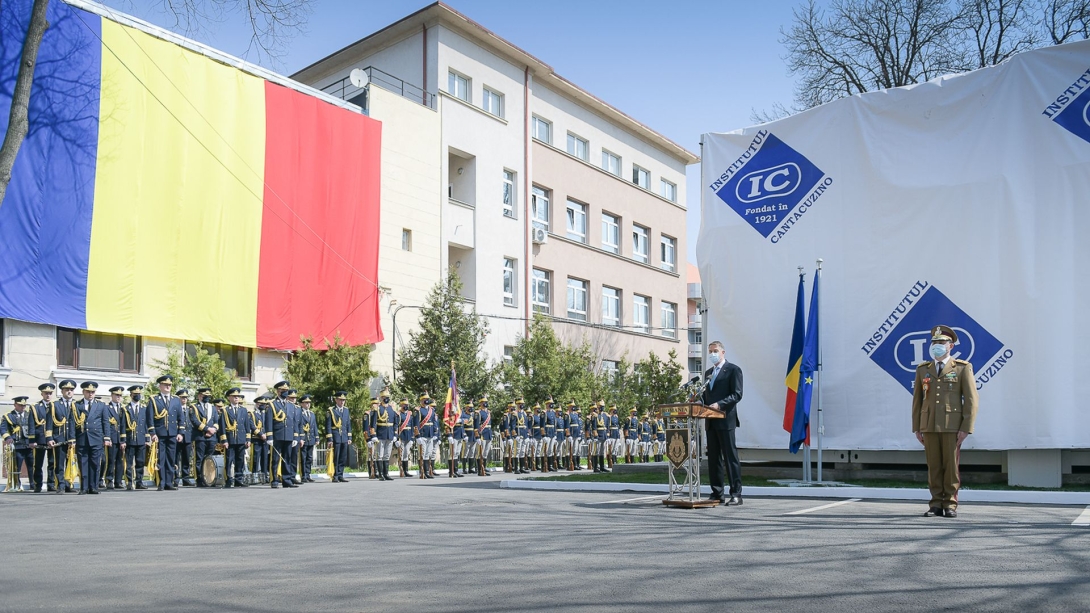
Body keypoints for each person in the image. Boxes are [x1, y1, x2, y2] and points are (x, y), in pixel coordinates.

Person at [912, 325, 979, 518]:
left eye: (941, 343)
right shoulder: (923, 369)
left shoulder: (962, 368)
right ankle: (935, 504)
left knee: (951, 466)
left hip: (952, 425)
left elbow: (971, 400)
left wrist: (966, 427)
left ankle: (950, 503)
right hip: (929, 424)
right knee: (933, 466)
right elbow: (917, 400)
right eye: (934, 343)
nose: (936, 346)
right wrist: (917, 427)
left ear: (950, 346)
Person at [702, 340, 743, 505]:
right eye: (710, 351)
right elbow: (706, 396)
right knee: (714, 459)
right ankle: (717, 493)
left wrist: (719, 404)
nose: (713, 354)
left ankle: (736, 494)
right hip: (710, 421)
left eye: (715, 351)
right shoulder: (708, 373)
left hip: (726, 420)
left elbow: (737, 394)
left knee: (730, 458)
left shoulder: (733, 370)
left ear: (723, 352)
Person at [72, 381, 111, 495]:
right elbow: (71, 422)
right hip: (82, 438)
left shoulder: (101, 405)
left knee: (95, 463)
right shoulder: (76, 405)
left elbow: (105, 422)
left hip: (96, 438)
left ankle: (93, 487)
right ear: (83, 392)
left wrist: (107, 437)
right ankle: (84, 487)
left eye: (92, 392)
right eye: (88, 392)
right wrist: (72, 439)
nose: (90, 394)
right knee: (83, 463)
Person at [147, 378, 183, 491]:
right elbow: (150, 418)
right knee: (160, 458)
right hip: (160, 433)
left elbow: (180, 417)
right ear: (160, 386)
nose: (168, 387)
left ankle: (169, 482)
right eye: (165, 385)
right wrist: (152, 433)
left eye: (169, 385)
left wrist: (180, 432)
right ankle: (161, 482)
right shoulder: (154, 399)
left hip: (172, 433)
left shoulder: (176, 400)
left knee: (171, 458)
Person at [265, 381, 299, 489]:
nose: (285, 392)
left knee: (287, 458)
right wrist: (269, 437)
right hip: (277, 436)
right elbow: (269, 421)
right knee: (275, 459)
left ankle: (286, 480)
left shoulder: (291, 406)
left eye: (286, 390)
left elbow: (294, 422)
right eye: (283, 390)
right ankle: (274, 479)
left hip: (288, 435)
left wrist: (295, 436)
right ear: (278, 391)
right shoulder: (272, 404)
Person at [1, 396, 35, 492]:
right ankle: (16, 484)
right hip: (17, 445)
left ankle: (33, 484)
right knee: (16, 467)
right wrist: (8, 437)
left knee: (32, 466)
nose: (22, 407)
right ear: (15, 405)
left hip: (29, 444)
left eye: (24, 405)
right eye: (20, 405)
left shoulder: (29, 415)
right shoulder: (8, 416)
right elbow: (3, 429)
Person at [219, 389, 252, 488]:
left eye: (238, 396)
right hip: (230, 439)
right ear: (229, 398)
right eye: (234, 396)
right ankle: (229, 479)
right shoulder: (225, 410)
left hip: (241, 439)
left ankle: (239, 479)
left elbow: (247, 426)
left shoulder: (243, 410)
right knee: (229, 460)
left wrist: (248, 439)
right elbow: (222, 426)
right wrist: (224, 440)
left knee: (240, 460)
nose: (236, 398)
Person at [121, 385, 149, 490]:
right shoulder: (125, 409)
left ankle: (139, 482)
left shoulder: (143, 408)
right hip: (130, 439)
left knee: (140, 462)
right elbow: (123, 425)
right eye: (135, 394)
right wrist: (123, 441)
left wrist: (147, 439)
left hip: (141, 439)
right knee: (129, 463)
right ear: (131, 395)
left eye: (139, 394)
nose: (137, 396)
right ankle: (129, 482)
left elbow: (146, 424)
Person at [190, 387, 220, 487]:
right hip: (200, 437)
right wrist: (207, 429)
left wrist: (213, 430)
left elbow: (216, 421)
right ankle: (199, 479)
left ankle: (209, 479)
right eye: (204, 396)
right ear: (199, 396)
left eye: (208, 396)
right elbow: (194, 421)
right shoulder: (194, 407)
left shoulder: (212, 407)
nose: (206, 397)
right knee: (199, 459)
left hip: (211, 437)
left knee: (210, 458)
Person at [28, 383, 54, 492]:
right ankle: (37, 484)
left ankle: (51, 484)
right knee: (38, 463)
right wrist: (32, 440)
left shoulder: (55, 406)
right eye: (46, 393)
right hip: (39, 439)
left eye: (50, 393)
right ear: (42, 394)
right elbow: (31, 425)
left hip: (52, 439)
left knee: (52, 463)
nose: (48, 395)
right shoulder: (35, 407)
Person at [326, 391, 352, 483]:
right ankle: (335, 475)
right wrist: (330, 439)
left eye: (343, 400)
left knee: (343, 457)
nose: (342, 402)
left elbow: (348, 424)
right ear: (336, 400)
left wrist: (349, 437)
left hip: (344, 437)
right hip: (336, 436)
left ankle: (340, 475)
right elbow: (328, 425)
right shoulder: (331, 411)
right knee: (336, 457)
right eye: (340, 400)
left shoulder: (346, 410)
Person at [102, 386, 124, 490]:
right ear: (112, 396)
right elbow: (106, 424)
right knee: (110, 460)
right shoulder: (107, 408)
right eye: (116, 395)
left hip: (121, 439)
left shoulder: (123, 409)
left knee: (120, 460)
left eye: (120, 395)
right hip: (112, 438)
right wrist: (107, 438)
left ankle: (118, 481)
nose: (118, 397)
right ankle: (109, 480)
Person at [371, 397, 398, 481]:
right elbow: (374, 422)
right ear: (382, 398)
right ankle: (380, 474)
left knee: (387, 455)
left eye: (387, 397)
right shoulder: (378, 409)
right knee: (380, 455)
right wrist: (374, 435)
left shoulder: (392, 408)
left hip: (390, 435)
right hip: (380, 435)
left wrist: (395, 434)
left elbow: (396, 422)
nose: (386, 399)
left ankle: (386, 474)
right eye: (384, 397)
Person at [415, 393, 439, 479]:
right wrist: (417, 436)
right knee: (422, 453)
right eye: (424, 399)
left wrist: (435, 433)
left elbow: (434, 422)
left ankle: (427, 472)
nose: (426, 400)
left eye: (427, 399)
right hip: (422, 434)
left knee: (428, 454)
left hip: (430, 434)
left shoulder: (431, 410)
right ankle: (422, 472)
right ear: (421, 400)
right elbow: (416, 424)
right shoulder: (418, 410)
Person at [250, 395, 269, 484]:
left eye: (265, 404)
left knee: (265, 458)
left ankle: (264, 476)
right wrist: (260, 434)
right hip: (256, 439)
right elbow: (252, 426)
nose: (264, 406)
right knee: (255, 458)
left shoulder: (266, 414)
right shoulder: (252, 414)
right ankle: (254, 476)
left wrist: (267, 435)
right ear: (257, 404)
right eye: (262, 404)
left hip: (265, 439)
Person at [473, 396, 492, 476]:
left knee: (485, 452)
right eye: (484, 402)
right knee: (480, 452)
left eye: (486, 402)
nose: (485, 403)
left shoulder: (488, 413)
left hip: (488, 433)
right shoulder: (478, 413)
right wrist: (477, 436)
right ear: (480, 403)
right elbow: (476, 425)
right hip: (482, 434)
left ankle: (484, 467)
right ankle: (480, 469)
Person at [396, 399, 415, 478]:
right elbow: (396, 427)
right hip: (402, 436)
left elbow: (412, 426)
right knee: (401, 454)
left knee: (406, 453)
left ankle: (406, 470)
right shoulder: (399, 415)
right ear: (401, 405)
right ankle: (402, 470)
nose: (406, 406)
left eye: (407, 405)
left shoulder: (410, 415)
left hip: (408, 436)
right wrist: (397, 438)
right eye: (404, 405)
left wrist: (412, 438)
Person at [566, 400, 583, 471]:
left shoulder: (576, 414)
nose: (573, 407)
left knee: (575, 449)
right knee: (569, 450)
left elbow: (578, 425)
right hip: (571, 434)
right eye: (572, 406)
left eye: (574, 406)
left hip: (576, 434)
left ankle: (575, 464)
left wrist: (579, 434)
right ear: (569, 407)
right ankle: (569, 464)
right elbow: (567, 425)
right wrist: (568, 435)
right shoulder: (567, 415)